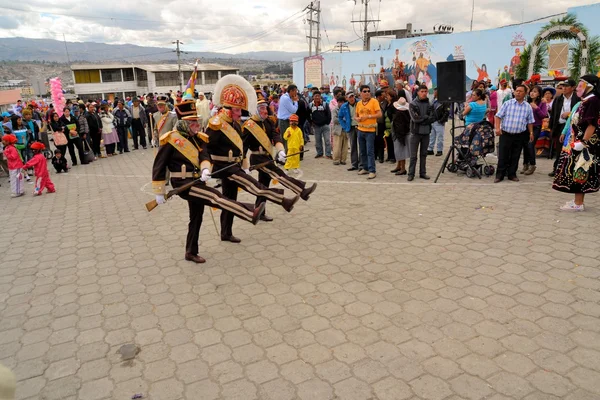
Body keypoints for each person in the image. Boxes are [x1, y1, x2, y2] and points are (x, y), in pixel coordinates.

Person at [152, 98, 264, 264]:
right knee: (215, 197)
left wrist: (205, 168)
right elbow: (159, 166)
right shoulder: (170, 140)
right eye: (193, 123)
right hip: (183, 184)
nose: (197, 126)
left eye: (196, 122)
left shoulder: (198, 138)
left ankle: (190, 251)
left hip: (197, 181)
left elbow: (205, 155)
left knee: (196, 217)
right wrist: (159, 191)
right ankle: (250, 212)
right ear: (183, 124)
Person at [207, 75, 300, 243]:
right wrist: (205, 168)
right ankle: (280, 202)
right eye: (236, 110)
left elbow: (240, 148)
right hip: (223, 166)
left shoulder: (234, 123)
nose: (239, 114)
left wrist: (244, 164)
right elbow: (205, 146)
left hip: (234, 165)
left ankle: (226, 232)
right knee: (253, 185)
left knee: (230, 200)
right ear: (227, 109)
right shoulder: (216, 124)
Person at [243, 97, 316, 222]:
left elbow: (275, 137)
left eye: (265, 108)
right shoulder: (249, 126)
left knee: (263, 186)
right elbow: (243, 147)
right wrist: (244, 166)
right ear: (255, 110)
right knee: (279, 174)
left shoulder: (269, 122)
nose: (265, 111)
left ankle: (260, 211)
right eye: (261, 109)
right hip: (257, 158)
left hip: (268, 156)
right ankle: (302, 190)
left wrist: (281, 150)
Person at [552, 75, 600, 211]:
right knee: (577, 171)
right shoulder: (586, 101)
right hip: (576, 141)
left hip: (585, 145)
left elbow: (592, 125)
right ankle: (577, 201)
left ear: (589, 86)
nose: (578, 88)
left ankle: (578, 204)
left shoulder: (593, 101)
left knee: (580, 170)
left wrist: (583, 142)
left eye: (580, 85)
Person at [494, 84, 535, 183]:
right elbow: (498, 116)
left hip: (519, 135)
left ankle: (512, 174)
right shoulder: (508, 103)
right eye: (517, 91)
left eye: (520, 91)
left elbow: (530, 121)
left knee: (515, 155)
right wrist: (497, 128)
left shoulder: (528, 107)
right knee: (503, 155)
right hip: (506, 134)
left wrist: (531, 132)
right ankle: (500, 175)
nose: (518, 92)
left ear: (525, 93)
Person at [548, 79, 580, 176]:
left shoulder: (577, 99)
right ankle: (557, 168)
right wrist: (551, 128)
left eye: (567, 86)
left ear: (573, 88)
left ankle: (569, 169)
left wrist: (569, 114)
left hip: (572, 128)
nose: (564, 88)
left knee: (570, 149)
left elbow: (578, 112)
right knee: (559, 149)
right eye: (563, 86)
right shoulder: (558, 99)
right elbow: (553, 114)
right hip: (559, 127)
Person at [408, 84, 435, 181]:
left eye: (425, 92)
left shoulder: (430, 104)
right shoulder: (412, 104)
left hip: (426, 133)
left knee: (424, 154)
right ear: (418, 92)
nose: (424, 93)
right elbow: (415, 119)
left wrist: (423, 118)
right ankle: (411, 174)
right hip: (415, 133)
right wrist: (425, 118)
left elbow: (432, 118)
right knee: (413, 156)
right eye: (422, 91)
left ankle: (422, 173)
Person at [356, 84, 382, 179]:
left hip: (370, 130)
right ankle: (365, 167)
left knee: (370, 151)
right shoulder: (359, 103)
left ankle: (372, 170)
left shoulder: (374, 101)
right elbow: (356, 115)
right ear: (360, 93)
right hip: (360, 129)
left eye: (368, 91)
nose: (367, 93)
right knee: (362, 151)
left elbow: (379, 114)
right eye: (364, 91)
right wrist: (357, 118)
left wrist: (369, 116)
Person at [521, 85, 548, 175]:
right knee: (525, 146)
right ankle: (525, 164)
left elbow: (543, 115)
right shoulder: (526, 102)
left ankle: (532, 164)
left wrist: (536, 108)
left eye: (535, 91)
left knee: (530, 145)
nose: (532, 93)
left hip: (536, 126)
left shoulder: (542, 103)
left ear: (539, 94)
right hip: (525, 126)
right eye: (531, 91)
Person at [339, 91, 361, 171]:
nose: (351, 98)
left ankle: (362, 164)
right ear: (346, 98)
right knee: (353, 146)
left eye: (352, 96)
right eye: (350, 97)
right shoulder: (344, 106)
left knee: (361, 146)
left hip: (360, 126)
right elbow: (340, 117)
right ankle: (354, 164)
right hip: (351, 128)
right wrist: (344, 126)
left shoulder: (360, 103)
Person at [389, 91, 411, 176]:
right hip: (400, 134)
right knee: (399, 151)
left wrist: (399, 137)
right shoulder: (405, 113)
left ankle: (402, 168)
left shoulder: (399, 114)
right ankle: (399, 166)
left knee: (401, 152)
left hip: (400, 135)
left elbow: (400, 127)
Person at [309, 91, 332, 159]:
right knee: (318, 141)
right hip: (316, 126)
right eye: (315, 96)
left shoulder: (325, 104)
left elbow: (329, 114)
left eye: (318, 96)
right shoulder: (310, 105)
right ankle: (319, 153)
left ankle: (328, 154)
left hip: (325, 126)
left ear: (320, 97)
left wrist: (327, 122)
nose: (317, 97)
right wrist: (311, 123)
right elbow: (308, 115)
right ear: (313, 97)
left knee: (327, 140)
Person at [428, 88, 449, 157]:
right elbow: (430, 109)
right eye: (434, 92)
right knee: (432, 136)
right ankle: (430, 149)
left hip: (439, 121)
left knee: (440, 137)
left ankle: (439, 150)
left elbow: (446, 112)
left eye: (435, 92)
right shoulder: (433, 100)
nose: (434, 93)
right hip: (433, 121)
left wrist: (441, 120)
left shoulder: (444, 101)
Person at [277, 84, 299, 150]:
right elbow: (293, 110)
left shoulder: (286, 97)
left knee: (288, 139)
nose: (296, 93)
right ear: (291, 91)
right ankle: (285, 156)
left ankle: (285, 155)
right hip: (284, 121)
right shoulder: (285, 98)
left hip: (286, 120)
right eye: (295, 91)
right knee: (286, 139)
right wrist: (295, 101)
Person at [332, 95, 348, 165]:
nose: (341, 104)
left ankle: (343, 160)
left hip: (346, 130)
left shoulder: (347, 109)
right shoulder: (335, 110)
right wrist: (343, 120)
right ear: (337, 102)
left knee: (345, 146)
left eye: (342, 102)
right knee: (337, 146)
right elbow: (335, 120)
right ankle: (336, 159)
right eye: (339, 102)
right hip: (337, 130)